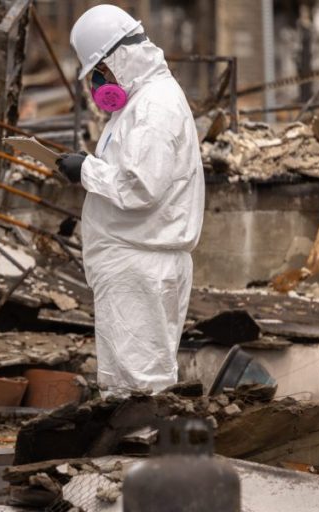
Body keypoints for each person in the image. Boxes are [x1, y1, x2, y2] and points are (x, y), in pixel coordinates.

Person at [55, 4, 205, 395]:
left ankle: (142, 453)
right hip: (135, 264)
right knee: (128, 384)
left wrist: (85, 169)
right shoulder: (140, 104)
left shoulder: (153, 106)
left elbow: (142, 186)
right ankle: (133, 452)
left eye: (99, 73)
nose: (98, 85)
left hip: (140, 266)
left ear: (119, 59)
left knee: (141, 389)